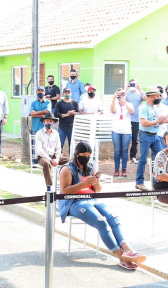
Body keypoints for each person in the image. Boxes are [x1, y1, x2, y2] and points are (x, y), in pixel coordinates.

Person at [58, 141, 146, 270]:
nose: (86, 158)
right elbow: (65, 191)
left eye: (89, 155)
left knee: (114, 218)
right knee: (102, 222)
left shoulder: (90, 167)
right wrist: (83, 184)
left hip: (92, 199)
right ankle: (122, 257)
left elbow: (97, 190)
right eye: (84, 155)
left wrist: (96, 181)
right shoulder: (67, 169)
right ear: (77, 154)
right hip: (74, 202)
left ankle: (128, 250)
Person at [134, 88, 167, 191]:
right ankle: (139, 182)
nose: (159, 98)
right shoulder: (144, 108)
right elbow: (144, 123)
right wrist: (158, 121)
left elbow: (155, 120)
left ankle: (158, 181)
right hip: (145, 135)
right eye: (157, 96)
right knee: (143, 159)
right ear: (152, 97)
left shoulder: (154, 107)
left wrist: (162, 120)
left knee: (160, 157)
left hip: (154, 135)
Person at [110, 89, 134, 177]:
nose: (121, 95)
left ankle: (124, 169)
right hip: (116, 130)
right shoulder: (115, 103)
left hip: (126, 131)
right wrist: (114, 98)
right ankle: (116, 169)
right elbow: (112, 111)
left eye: (123, 93)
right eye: (119, 94)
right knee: (117, 151)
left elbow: (132, 112)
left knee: (125, 151)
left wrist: (125, 102)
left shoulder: (129, 104)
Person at [34, 115, 63, 190]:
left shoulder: (56, 133)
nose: (49, 123)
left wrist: (57, 159)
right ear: (44, 122)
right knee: (47, 163)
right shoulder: (39, 133)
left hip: (54, 156)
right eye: (47, 121)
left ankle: (66, 183)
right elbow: (40, 150)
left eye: (50, 121)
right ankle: (49, 186)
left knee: (69, 161)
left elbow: (58, 148)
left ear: (53, 123)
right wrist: (50, 160)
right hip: (42, 157)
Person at [53, 87, 79, 154]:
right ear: (63, 93)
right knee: (59, 145)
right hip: (62, 127)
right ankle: (58, 157)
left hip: (72, 127)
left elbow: (78, 113)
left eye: (68, 92)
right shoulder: (59, 103)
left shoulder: (75, 103)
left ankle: (71, 158)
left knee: (72, 146)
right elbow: (56, 114)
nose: (67, 94)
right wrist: (66, 115)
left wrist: (73, 113)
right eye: (65, 92)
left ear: (71, 93)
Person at [126, 80, 145, 163]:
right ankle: (123, 156)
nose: (133, 85)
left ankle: (133, 157)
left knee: (135, 139)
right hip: (126, 119)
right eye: (131, 84)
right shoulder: (126, 93)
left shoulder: (139, 93)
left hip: (136, 120)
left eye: (134, 84)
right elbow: (120, 99)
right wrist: (126, 89)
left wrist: (140, 89)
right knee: (125, 139)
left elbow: (145, 98)